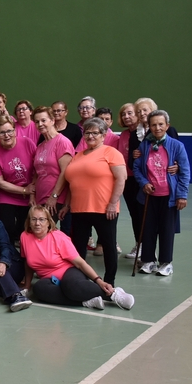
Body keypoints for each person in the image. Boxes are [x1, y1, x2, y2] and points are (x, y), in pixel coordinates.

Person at [20, 206, 134, 310]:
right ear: (29, 222)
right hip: (48, 279)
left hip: (69, 271)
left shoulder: (58, 237)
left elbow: (80, 263)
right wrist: (27, 285)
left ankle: (114, 294)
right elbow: (28, 263)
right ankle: (86, 302)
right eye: (33, 219)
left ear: (48, 222)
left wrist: (99, 281)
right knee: (39, 289)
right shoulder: (25, 237)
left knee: (70, 287)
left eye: (41, 219)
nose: (37, 223)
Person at [61, 118, 126, 285]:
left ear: (103, 135)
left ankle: (109, 282)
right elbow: (71, 183)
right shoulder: (78, 156)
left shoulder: (111, 153)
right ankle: (79, 280)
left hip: (104, 209)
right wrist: (67, 205)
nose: (90, 136)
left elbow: (121, 179)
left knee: (108, 247)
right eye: (87, 132)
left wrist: (113, 203)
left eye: (94, 133)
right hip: (78, 209)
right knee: (78, 248)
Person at [134, 110, 189, 277]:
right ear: (149, 127)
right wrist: (144, 183)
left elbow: (185, 171)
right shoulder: (144, 145)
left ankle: (166, 262)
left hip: (169, 197)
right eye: (153, 125)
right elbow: (137, 168)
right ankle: (148, 260)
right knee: (148, 229)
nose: (157, 128)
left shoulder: (177, 146)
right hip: (149, 196)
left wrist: (182, 195)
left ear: (167, 126)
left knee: (166, 230)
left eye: (160, 124)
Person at [0, 116, 37, 242]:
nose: (7, 135)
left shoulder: (28, 143)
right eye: (2, 132)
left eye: (9, 131)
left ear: (15, 130)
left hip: (30, 193)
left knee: (26, 230)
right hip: (8, 196)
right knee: (7, 228)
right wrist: (24, 190)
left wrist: (31, 193)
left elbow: (37, 170)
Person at [31, 106, 73, 220]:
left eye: (43, 120)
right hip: (40, 197)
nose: (40, 124)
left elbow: (66, 172)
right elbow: (37, 174)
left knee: (45, 231)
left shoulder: (62, 142)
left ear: (52, 120)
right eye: (37, 121)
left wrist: (54, 196)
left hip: (55, 198)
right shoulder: (40, 146)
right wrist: (32, 195)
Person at [117, 103, 143, 259]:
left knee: (142, 214)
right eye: (123, 114)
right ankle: (139, 244)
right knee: (134, 214)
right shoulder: (124, 135)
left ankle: (147, 247)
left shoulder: (143, 133)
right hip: (127, 179)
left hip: (141, 179)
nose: (126, 117)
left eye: (129, 113)